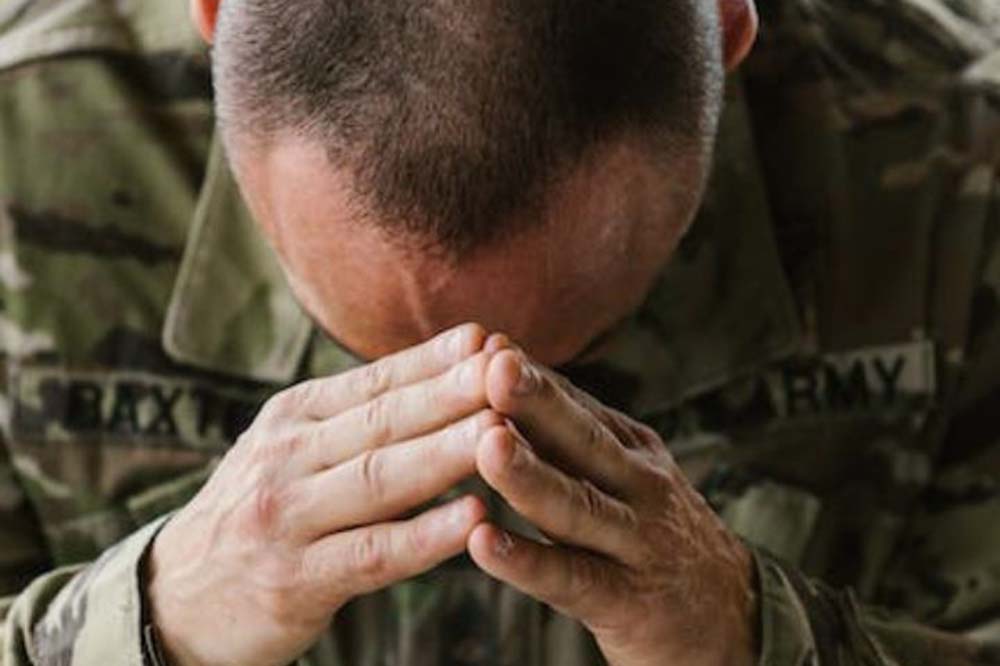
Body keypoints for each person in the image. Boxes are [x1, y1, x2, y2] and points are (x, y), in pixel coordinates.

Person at [1, 0, 999, 664]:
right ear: (214, 17)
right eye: (368, 348)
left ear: (731, 32)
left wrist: (756, 638)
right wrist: (146, 621)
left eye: (560, 356)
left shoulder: (961, 166)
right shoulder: (20, 148)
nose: (471, 415)